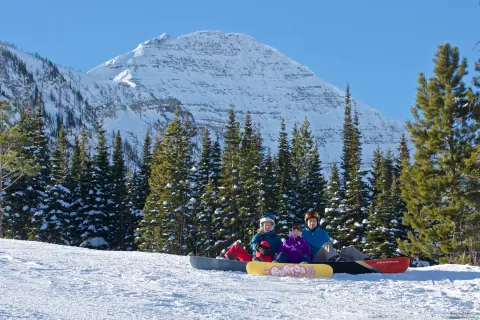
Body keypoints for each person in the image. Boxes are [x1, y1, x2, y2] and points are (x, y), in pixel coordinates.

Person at [302, 211, 368, 262]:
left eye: (314, 221)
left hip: (330, 257)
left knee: (350, 249)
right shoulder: (302, 233)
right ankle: (335, 260)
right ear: (306, 223)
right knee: (327, 245)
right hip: (315, 259)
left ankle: (370, 262)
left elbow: (330, 248)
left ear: (317, 222)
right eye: (310, 221)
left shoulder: (323, 233)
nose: (312, 223)